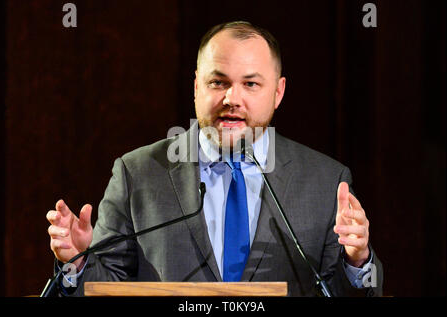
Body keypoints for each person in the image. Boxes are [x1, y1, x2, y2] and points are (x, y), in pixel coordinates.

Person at [46, 21, 383, 296]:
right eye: (217, 82)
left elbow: (341, 292)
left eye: (250, 84)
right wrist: (77, 263)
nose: (231, 98)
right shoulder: (137, 173)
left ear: (277, 92)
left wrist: (356, 262)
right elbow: (106, 288)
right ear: (196, 87)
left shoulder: (325, 180)